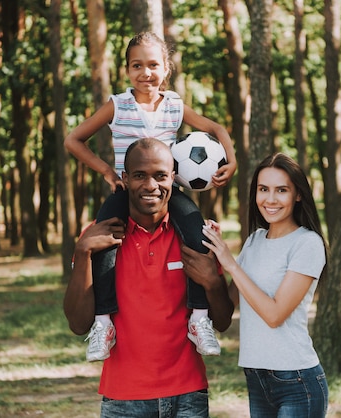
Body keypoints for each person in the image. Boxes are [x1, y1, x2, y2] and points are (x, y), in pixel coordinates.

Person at [64, 31, 237, 361]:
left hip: (167, 192)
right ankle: (102, 324)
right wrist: (106, 171)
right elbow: (74, 139)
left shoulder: (173, 104)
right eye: (136, 66)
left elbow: (218, 130)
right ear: (127, 71)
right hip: (126, 191)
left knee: (198, 238)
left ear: (166, 68)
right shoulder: (118, 105)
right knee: (103, 247)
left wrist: (233, 161)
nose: (145, 73)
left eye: (153, 64)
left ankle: (199, 320)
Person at [63, 138, 234, 417]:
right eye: (140, 176)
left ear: (173, 178)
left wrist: (213, 283)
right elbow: (78, 323)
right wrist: (82, 252)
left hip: (188, 395)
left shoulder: (196, 237)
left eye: (160, 176)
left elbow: (224, 321)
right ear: (125, 179)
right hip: (123, 399)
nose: (151, 186)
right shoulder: (98, 237)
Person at [201, 153, 329, 417]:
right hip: (257, 377)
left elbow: (274, 314)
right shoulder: (255, 240)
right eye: (263, 189)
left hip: (297, 381)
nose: (270, 199)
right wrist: (214, 258)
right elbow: (226, 306)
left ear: (298, 195)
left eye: (281, 190)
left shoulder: (307, 243)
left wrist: (232, 264)